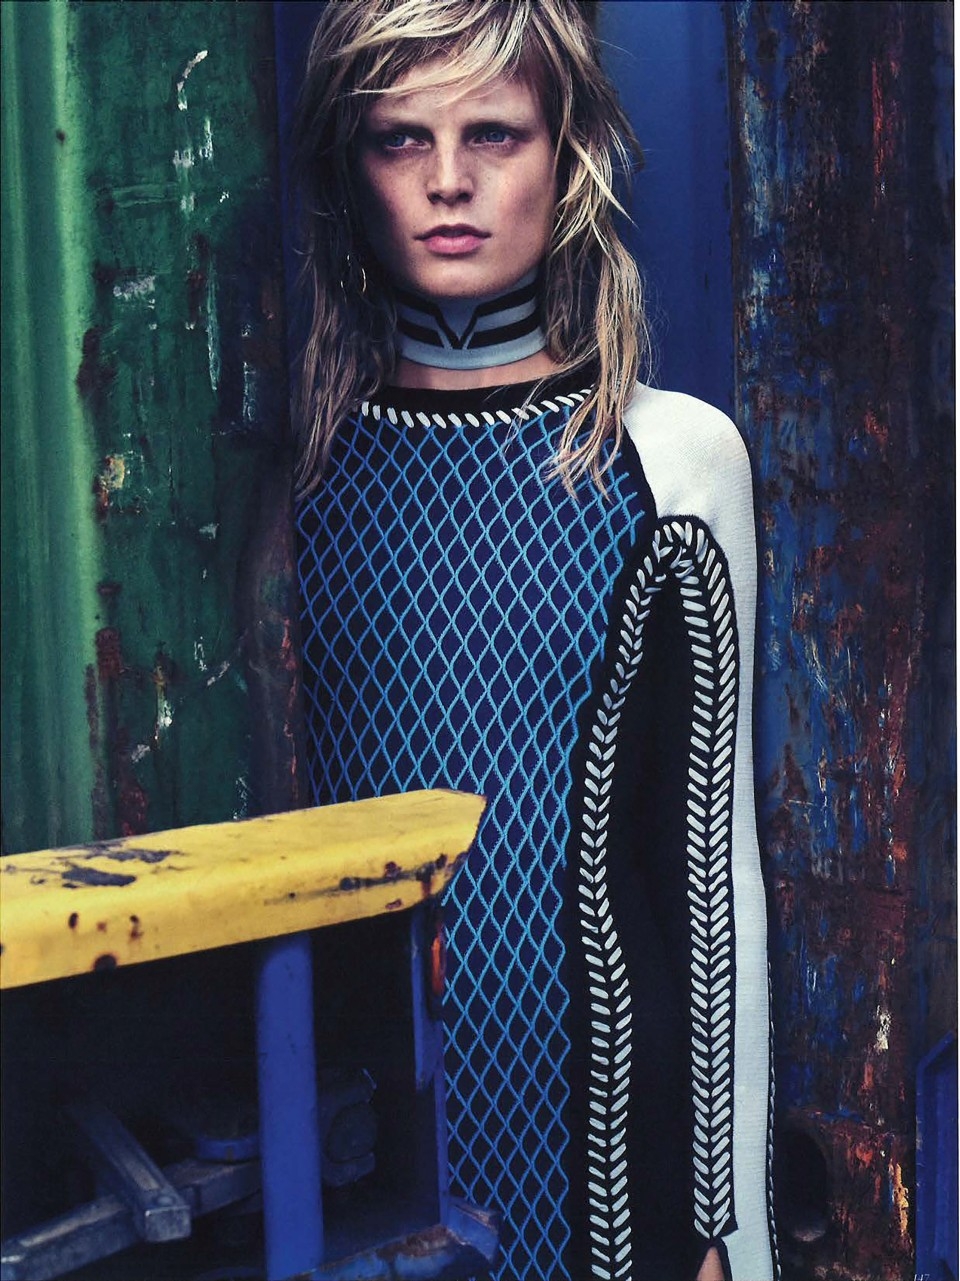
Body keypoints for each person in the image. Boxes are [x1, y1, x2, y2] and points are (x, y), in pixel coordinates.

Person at [290, 3, 777, 1279]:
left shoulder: (671, 458)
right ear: (349, 166)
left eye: (493, 134)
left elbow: (711, 872)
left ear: (568, 154)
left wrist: (727, 1237)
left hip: (606, 1158)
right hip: (354, 1142)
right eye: (402, 138)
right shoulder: (296, 483)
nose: (448, 181)